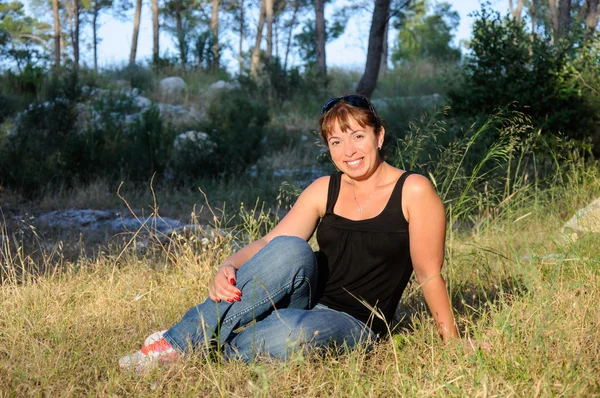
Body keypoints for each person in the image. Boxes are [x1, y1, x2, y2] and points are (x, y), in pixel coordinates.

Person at [118, 95, 459, 371]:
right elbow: (269, 243)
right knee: (290, 248)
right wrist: (228, 266)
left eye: (358, 136)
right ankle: (178, 344)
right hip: (306, 299)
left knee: (296, 332)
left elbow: (429, 275)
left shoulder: (414, 191)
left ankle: (200, 344)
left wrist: (453, 344)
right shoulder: (324, 188)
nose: (349, 151)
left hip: (356, 323)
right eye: (336, 141)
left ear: (379, 136)